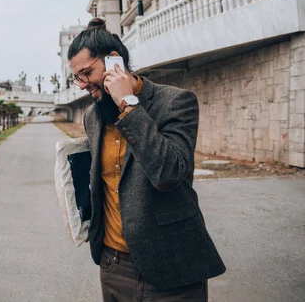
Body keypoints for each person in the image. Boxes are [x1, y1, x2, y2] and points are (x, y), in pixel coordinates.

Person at [68, 18, 225, 301]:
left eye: (86, 73)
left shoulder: (176, 102)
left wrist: (129, 104)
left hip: (172, 266)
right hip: (113, 265)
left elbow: (169, 173)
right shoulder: (93, 116)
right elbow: (101, 184)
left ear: (115, 62)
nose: (82, 85)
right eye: (76, 77)